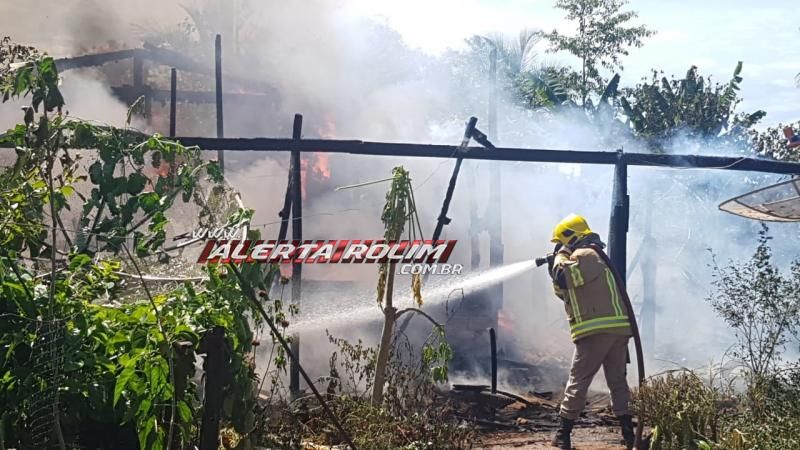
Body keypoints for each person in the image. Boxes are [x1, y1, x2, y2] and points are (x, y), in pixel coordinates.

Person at [547, 214, 635, 450]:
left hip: (596, 330)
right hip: (617, 330)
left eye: (563, 242)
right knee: (617, 381)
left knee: (578, 381)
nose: (562, 247)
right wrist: (556, 264)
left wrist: (560, 258)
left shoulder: (585, 255)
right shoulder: (594, 258)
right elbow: (564, 290)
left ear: (572, 237)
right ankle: (629, 433)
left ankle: (563, 434)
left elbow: (565, 277)